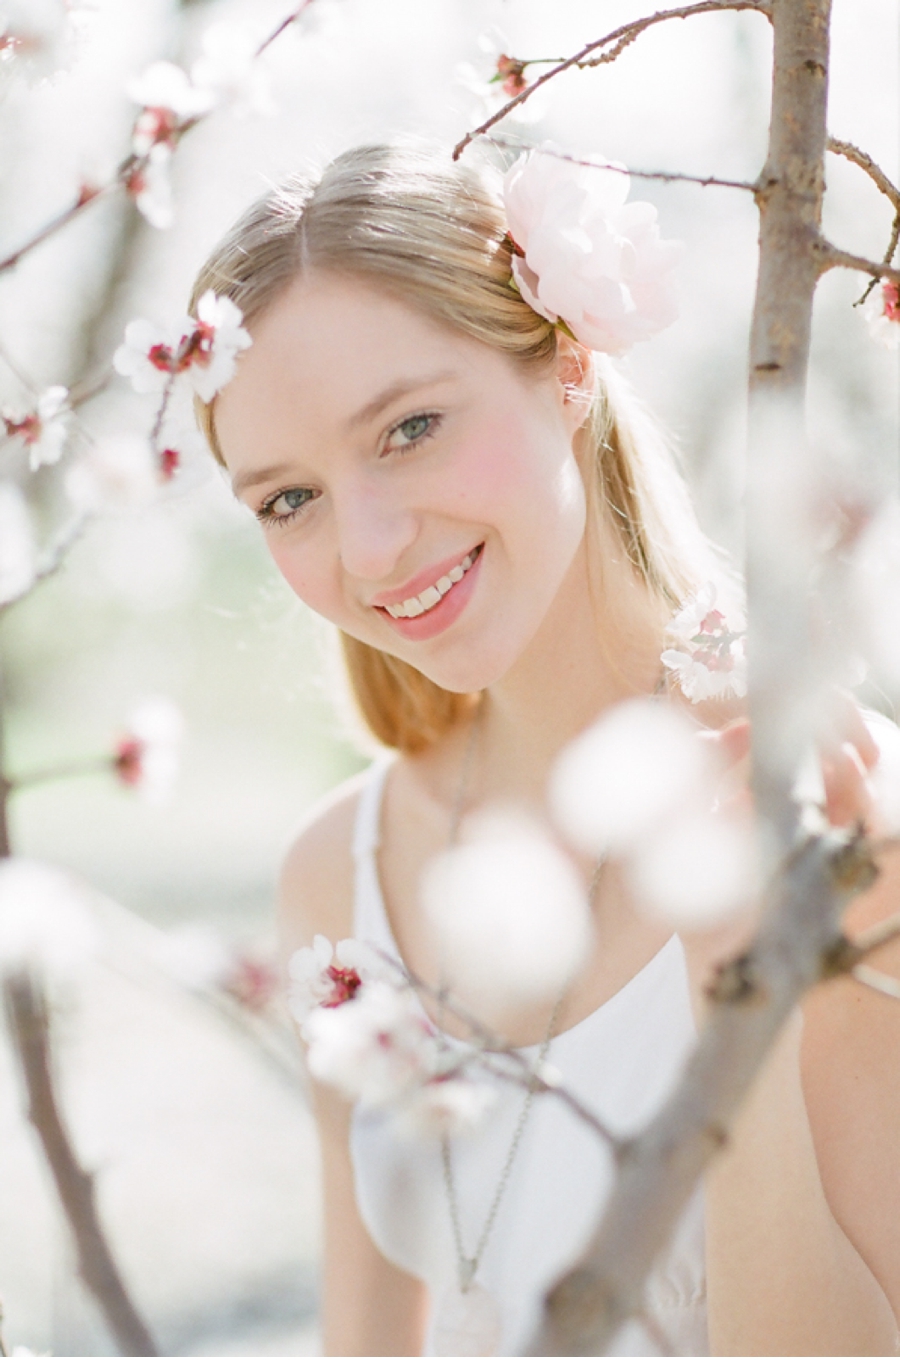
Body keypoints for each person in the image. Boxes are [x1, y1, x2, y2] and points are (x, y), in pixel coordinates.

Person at [190, 142, 900, 1357]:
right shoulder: (339, 877)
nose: (368, 549)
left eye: (409, 426)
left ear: (568, 368)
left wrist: (741, 978)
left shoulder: (836, 810)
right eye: (287, 499)